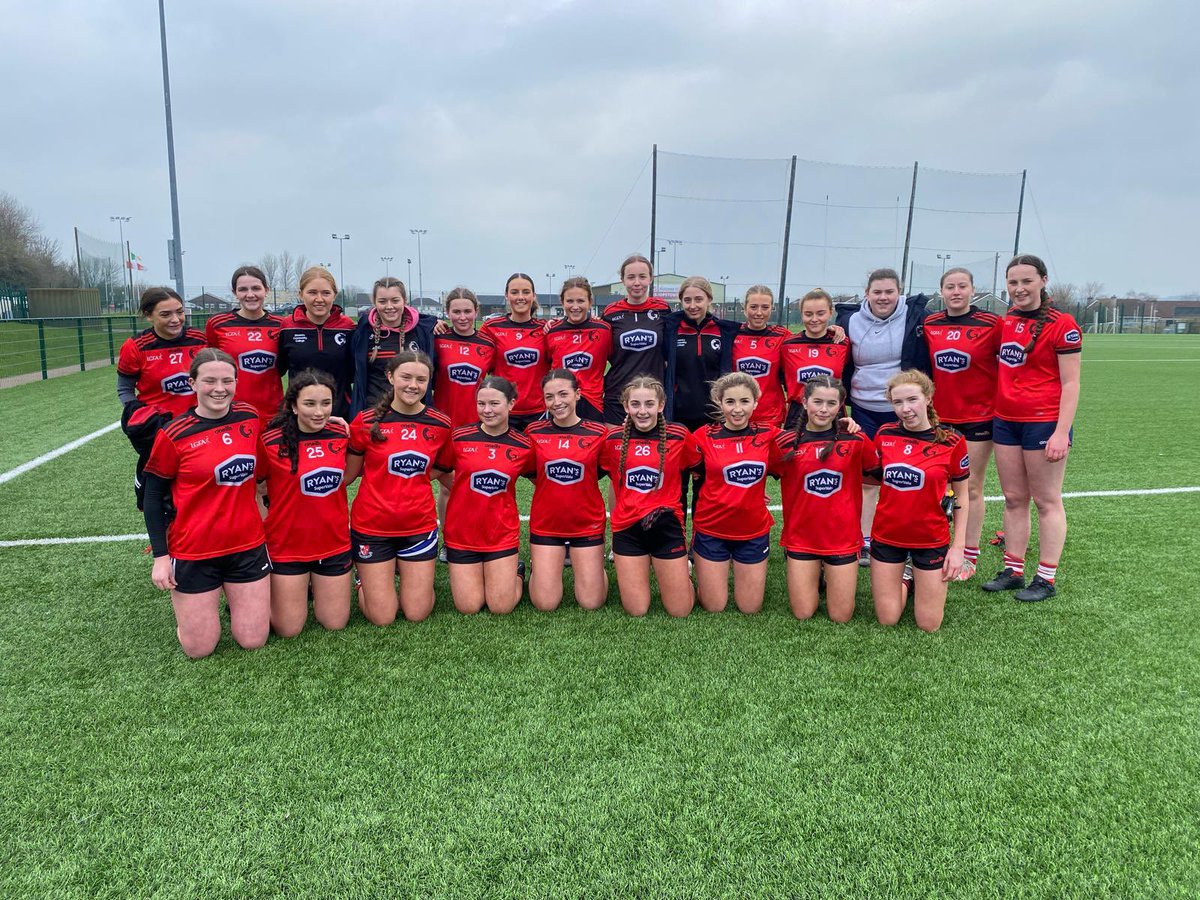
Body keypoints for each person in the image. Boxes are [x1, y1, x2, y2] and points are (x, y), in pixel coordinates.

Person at [142, 348, 270, 658]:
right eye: (210, 380)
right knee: (199, 649)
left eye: (227, 381)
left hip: (246, 546)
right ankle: (190, 619)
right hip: (194, 549)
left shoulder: (249, 418)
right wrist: (161, 556)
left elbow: (263, 475)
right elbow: (152, 496)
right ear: (192, 384)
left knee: (253, 640)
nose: (219, 389)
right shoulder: (174, 434)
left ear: (236, 383)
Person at [984, 254, 1082, 602]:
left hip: (1043, 422)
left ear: (1043, 280)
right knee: (1013, 498)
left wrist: (1060, 431)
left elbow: (1071, 384)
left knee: (1046, 500)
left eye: (1027, 281)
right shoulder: (1006, 320)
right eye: (1013, 282)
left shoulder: (1062, 323)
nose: (1019, 288)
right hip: (1006, 421)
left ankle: (1046, 578)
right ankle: (1013, 569)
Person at [344, 351, 452, 625]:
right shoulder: (366, 421)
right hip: (372, 527)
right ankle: (363, 580)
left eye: (421, 379)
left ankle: (402, 576)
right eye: (406, 377)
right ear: (391, 377)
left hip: (418, 526)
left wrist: (415, 478)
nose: (413, 385)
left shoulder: (440, 424)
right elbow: (350, 474)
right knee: (383, 617)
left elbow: (444, 468)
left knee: (417, 613)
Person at [835, 269, 931, 566]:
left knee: (905, 476)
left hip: (901, 409)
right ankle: (864, 540)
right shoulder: (849, 320)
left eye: (889, 291)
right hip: (864, 408)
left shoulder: (916, 317)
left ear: (899, 293)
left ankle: (908, 537)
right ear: (867, 293)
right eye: (877, 292)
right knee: (868, 478)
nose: (883, 297)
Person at [868, 370, 969, 633]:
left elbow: (963, 496)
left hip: (931, 538)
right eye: (897, 403)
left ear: (928, 398)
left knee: (928, 625)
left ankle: (916, 574)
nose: (905, 409)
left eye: (912, 400)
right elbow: (868, 480)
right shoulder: (884, 434)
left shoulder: (952, 441)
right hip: (888, 536)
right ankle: (906, 578)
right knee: (887, 619)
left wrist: (958, 549)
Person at [920, 267, 1003, 581]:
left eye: (962, 286)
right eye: (950, 287)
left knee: (970, 487)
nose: (956, 292)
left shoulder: (992, 324)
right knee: (937, 486)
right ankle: (939, 547)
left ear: (972, 290)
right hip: (940, 419)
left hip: (978, 419)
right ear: (941, 291)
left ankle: (969, 554)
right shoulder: (929, 323)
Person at [772, 376, 877, 623]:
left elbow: (883, 474)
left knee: (840, 616)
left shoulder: (855, 440)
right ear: (805, 402)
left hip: (842, 538)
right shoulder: (785, 443)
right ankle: (816, 575)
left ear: (841, 406)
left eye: (831, 404)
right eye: (817, 402)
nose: (823, 409)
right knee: (803, 613)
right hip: (801, 538)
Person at [258, 370, 351, 637]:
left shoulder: (343, 433)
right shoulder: (270, 441)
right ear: (293, 406)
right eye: (309, 404)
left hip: (333, 543)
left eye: (326, 403)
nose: (319, 412)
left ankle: (359, 580)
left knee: (335, 623)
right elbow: (256, 486)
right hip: (287, 547)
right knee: (288, 630)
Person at [600, 376, 700, 617]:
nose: (642, 411)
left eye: (649, 404)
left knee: (680, 611)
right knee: (636, 610)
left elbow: (702, 469)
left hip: (667, 527)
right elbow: (595, 473)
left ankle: (680, 575)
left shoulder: (679, 435)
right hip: (627, 529)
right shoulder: (612, 441)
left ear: (661, 405)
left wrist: (753, 493)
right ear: (625, 406)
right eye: (635, 404)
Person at [438, 376, 534, 614]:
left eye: (494, 404)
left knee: (501, 607)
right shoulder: (459, 437)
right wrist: (461, 484)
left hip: (500, 533)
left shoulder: (523, 445)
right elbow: (438, 470)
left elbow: (539, 480)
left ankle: (517, 572)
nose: (487, 410)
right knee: (468, 607)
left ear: (511, 404)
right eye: (481, 404)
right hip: (462, 533)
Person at [690, 373, 780, 614]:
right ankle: (685, 575)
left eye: (744, 401)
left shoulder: (769, 435)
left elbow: (805, 450)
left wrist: (844, 426)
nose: (737, 409)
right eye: (730, 402)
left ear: (756, 402)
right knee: (714, 606)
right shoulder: (702, 435)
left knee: (750, 607)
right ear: (719, 402)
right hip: (711, 528)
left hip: (753, 530)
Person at [525, 370, 610, 611]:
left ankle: (593, 567)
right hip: (546, 524)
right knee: (545, 604)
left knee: (591, 602)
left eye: (563, 394)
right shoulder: (534, 432)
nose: (557, 402)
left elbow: (603, 471)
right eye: (549, 397)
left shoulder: (598, 433)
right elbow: (530, 471)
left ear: (578, 394)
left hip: (587, 523)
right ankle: (533, 568)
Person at [117, 287, 208, 510]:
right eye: (165, 314)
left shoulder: (199, 339)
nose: (176, 319)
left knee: (196, 491)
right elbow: (124, 388)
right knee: (159, 498)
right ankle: (162, 542)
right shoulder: (135, 347)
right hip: (160, 432)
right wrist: (138, 415)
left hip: (195, 428)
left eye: (180, 312)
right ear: (149, 316)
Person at [663, 276, 740, 521]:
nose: (693, 305)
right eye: (687, 300)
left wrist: (835, 329)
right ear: (680, 301)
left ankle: (701, 543)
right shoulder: (669, 328)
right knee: (676, 486)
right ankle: (675, 544)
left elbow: (763, 331)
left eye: (698, 299)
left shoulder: (725, 331)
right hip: (678, 419)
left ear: (709, 299)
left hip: (712, 420)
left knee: (706, 485)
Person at [431, 286, 495, 558]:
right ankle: (448, 541)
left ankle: (479, 537)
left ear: (476, 312)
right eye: (456, 311)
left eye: (467, 311)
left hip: (477, 426)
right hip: (444, 425)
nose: (462, 316)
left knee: (477, 484)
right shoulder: (437, 339)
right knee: (448, 486)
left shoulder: (488, 344)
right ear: (447, 313)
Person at [204, 266, 284, 424]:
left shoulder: (281, 325)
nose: (250, 295)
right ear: (235, 293)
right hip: (231, 412)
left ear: (266, 290)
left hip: (273, 413)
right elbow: (209, 366)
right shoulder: (217, 324)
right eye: (243, 289)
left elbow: (283, 366)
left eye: (256, 288)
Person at [350, 276, 438, 416]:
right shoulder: (363, 332)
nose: (389, 306)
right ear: (374, 303)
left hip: (413, 415)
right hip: (374, 413)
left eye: (395, 300)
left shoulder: (423, 331)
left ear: (405, 301)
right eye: (382, 301)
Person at [277, 266, 356, 416]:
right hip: (298, 415)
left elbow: (353, 372)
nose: (319, 299)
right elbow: (279, 369)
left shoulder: (348, 327)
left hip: (340, 413)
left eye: (326, 293)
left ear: (334, 295)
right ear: (301, 294)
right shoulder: (287, 327)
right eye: (312, 292)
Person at [601, 254, 670, 425]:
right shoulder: (610, 313)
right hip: (617, 395)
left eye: (642, 276)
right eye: (631, 277)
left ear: (651, 279)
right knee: (616, 449)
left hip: (652, 398)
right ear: (622, 280)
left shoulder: (663, 309)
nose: (637, 283)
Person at [477, 274, 548, 432]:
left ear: (533, 296)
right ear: (506, 296)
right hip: (503, 411)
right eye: (514, 292)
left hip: (539, 412)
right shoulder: (491, 328)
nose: (520, 297)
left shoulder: (545, 329)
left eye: (526, 292)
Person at [780, 289, 851, 429]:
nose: (814, 319)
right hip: (798, 411)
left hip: (831, 410)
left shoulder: (842, 343)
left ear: (831, 312)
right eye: (808, 314)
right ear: (801, 314)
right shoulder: (787, 345)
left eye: (820, 313)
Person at [544, 277, 612, 422]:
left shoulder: (604, 330)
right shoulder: (551, 332)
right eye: (570, 301)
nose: (575, 306)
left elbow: (617, 361)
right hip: (560, 402)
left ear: (590, 302)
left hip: (592, 402)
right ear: (562, 302)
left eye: (580, 301)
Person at [732, 285, 790, 426]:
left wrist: (831, 330)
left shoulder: (782, 335)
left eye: (765, 307)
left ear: (772, 308)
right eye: (753, 307)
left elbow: (809, 339)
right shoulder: (731, 333)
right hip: (737, 414)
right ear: (744, 308)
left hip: (770, 415)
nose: (759, 313)